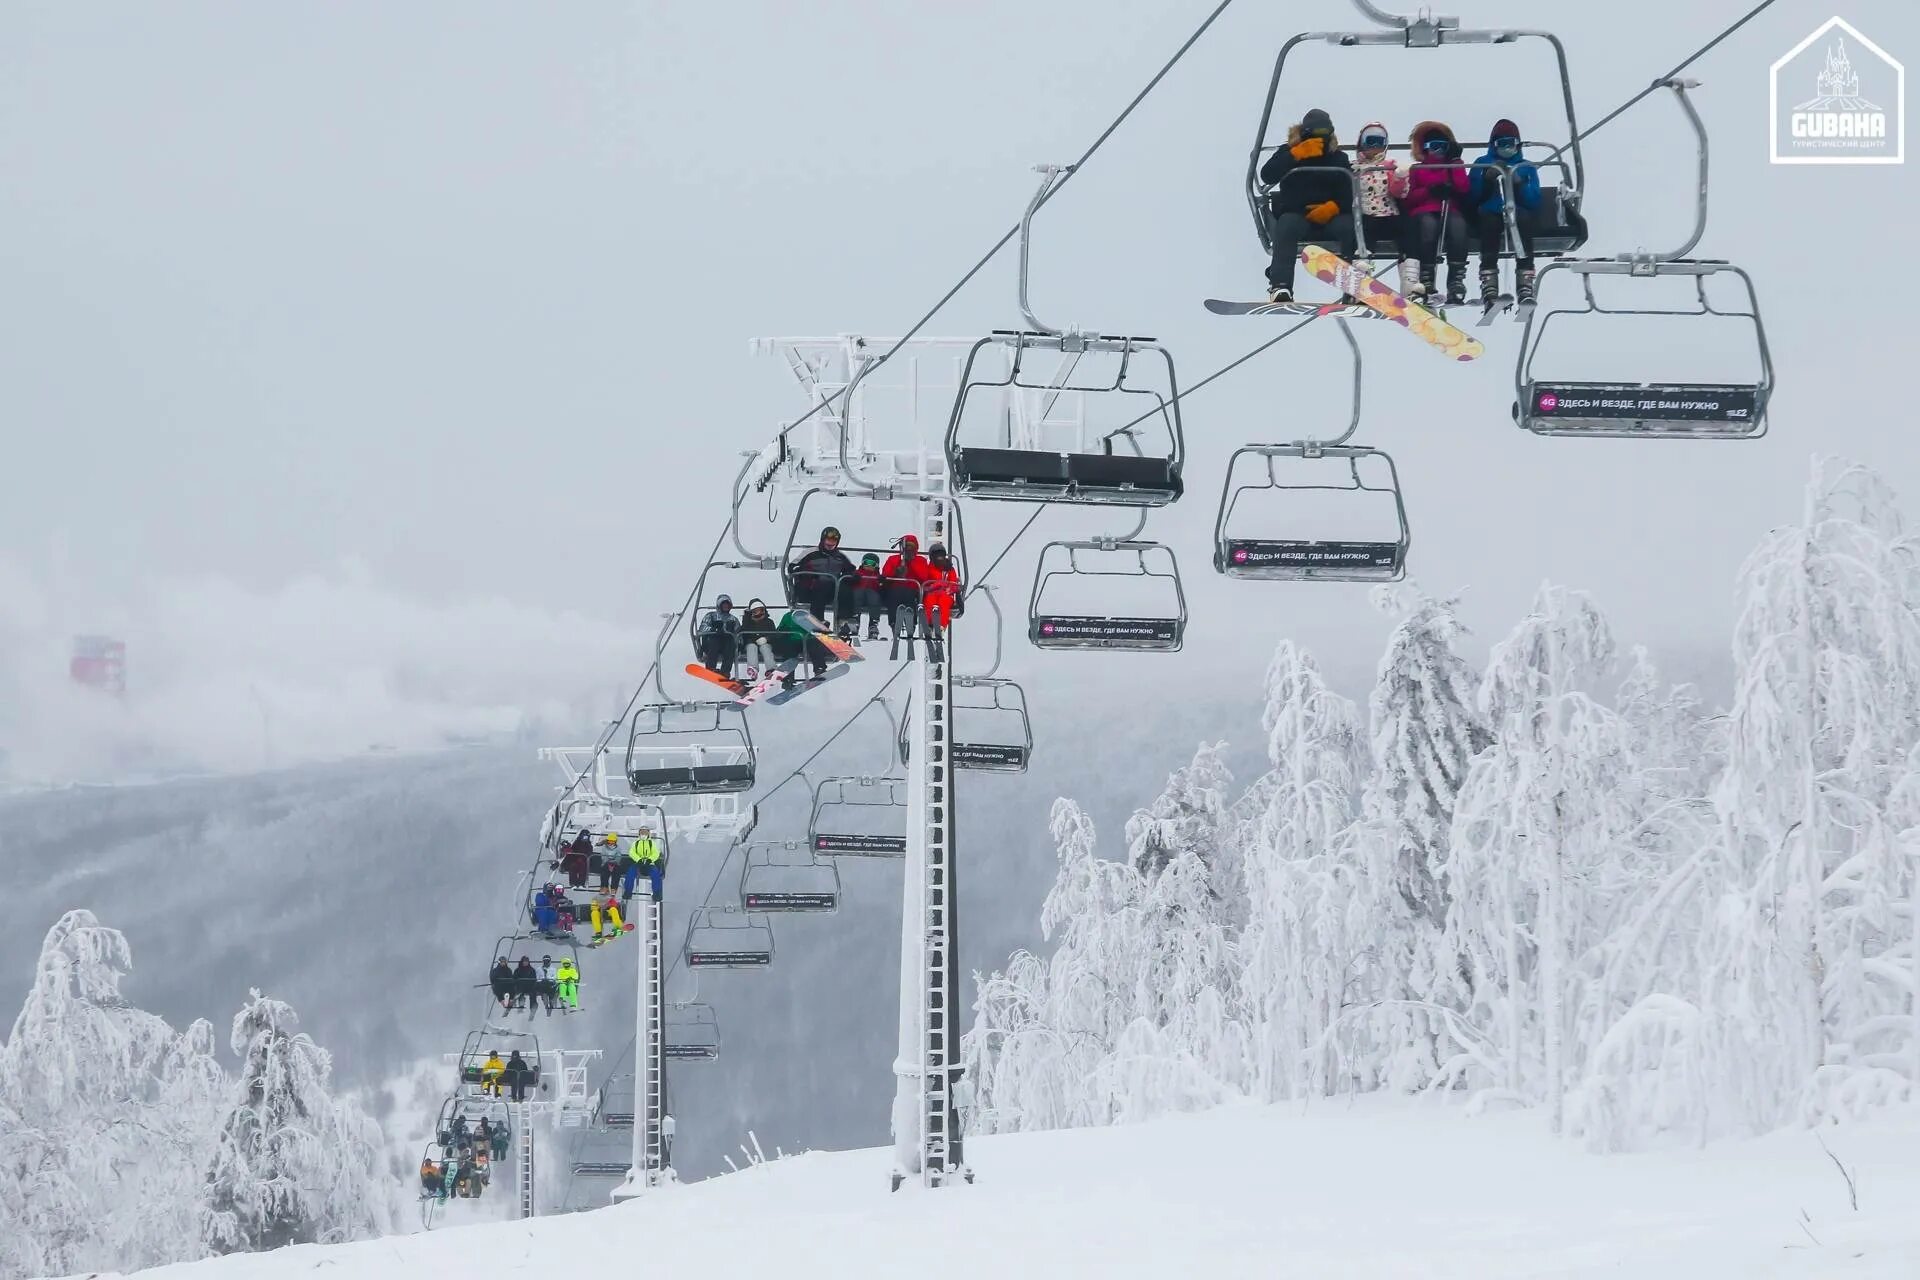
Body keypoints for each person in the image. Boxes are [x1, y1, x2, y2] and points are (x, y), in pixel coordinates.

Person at [1257, 108, 1354, 304]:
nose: (1320, 139)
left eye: (1324, 135)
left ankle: (1351, 287)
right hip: (1297, 214)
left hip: (1330, 216)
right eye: (1314, 134)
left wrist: (1333, 207)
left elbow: (1348, 192)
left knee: (1349, 227)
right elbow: (1267, 175)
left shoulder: (1337, 157)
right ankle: (1280, 285)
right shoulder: (1288, 152)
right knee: (1286, 226)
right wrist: (1296, 154)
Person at [1469, 118, 1549, 306]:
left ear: (1518, 145)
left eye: (1510, 144)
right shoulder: (1482, 163)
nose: (1506, 148)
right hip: (1491, 210)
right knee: (1489, 225)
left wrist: (1519, 184)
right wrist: (1487, 180)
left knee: (1524, 221)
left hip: (1518, 211)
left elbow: (1534, 201)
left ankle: (1525, 283)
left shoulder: (1525, 167)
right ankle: (1489, 284)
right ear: (1493, 145)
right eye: (1501, 144)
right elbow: (1471, 197)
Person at [1402, 121, 1471, 304]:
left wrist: (1456, 162)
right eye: (1434, 147)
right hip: (1424, 210)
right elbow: (1409, 199)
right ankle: (1426, 278)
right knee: (1428, 227)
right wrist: (1429, 191)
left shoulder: (1452, 167)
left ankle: (1455, 280)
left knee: (1458, 227)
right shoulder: (1417, 169)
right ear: (1425, 148)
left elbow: (1463, 188)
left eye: (1442, 147)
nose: (1438, 151)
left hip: (1450, 210)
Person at [1352, 121, 1412, 291]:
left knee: (1407, 232)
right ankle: (1360, 276)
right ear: (1362, 143)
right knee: (1363, 235)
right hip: (1364, 216)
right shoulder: (1354, 168)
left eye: (1380, 143)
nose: (1375, 147)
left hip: (1388, 214)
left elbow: (1398, 192)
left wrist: (1400, 177)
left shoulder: (1390, 166)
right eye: (1371, 141)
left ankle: (1410, 282)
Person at [788, 527, 857, 634]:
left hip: (830, 589)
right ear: (822, 540)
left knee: (844, 588)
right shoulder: (810, 553)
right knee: (822, 585)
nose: (830, 544)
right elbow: (793, 567)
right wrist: (806, 573)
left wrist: (851, 576)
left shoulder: (839, 556)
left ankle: (843, 621)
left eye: (833, 541)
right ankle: (818, 619)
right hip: (810, 588)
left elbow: (851, 570)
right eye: (828, 540)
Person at [882, 534, 934, 653]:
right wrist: (896, 572)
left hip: (912, 590)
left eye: (912, 546)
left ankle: (911, 623)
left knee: (909, 597)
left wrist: (911, 564)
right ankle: (895, 623)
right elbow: (885, 576)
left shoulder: (920, 561)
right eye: (907, 546)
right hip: (894, 590)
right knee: (894, 596)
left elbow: (924, 577)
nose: (909, 549)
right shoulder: (893, 560)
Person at [774, 604, 835, 688]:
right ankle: (787, 678)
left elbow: (819, 628)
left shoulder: (810, 616)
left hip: (807, 640)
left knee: (814, 647)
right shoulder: (788, 616)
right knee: (789, 652)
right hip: (793, 640)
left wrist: (824, 626)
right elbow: (780, 630)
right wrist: (783, 631)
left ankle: (819, 669)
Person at [695, 594, 742, 679]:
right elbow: (702, 628)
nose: (726, 607)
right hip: (711, 643)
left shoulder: (733, 619)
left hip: (726, 644)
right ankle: (711, 668)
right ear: (719, 605)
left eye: (727, 605)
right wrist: (715, 630)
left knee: (730, 644)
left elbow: (739, 633)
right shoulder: (711, 616)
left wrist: (737, 640)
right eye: (723, 605)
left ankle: (725, 671)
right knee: (715, 640)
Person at [738, 599, 779, 679]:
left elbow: (774, 634)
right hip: (751, 642)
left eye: (760, 610)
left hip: (765, 642)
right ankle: (753, 669)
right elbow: (744, 633)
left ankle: (771, 669)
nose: (758, 613)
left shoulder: (769, 622)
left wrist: (766, 639)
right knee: (751, 647)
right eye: (755, 611)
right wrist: (746, 618)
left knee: (765, 648)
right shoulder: (748, 622)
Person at [623, 827, 664, 902]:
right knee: (630, 873)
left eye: (645, 833)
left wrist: (650, 859)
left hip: (649, 864)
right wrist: (638, 859)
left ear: (648, 834)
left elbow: (656, 853)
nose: (643, 834)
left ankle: (657, 894)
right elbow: (632, 852)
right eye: (642, 832)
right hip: (638, 863)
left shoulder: (652, 843)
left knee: (656, 874)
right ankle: (628, 892)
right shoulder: (636, 843)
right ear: (639, 833)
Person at [850, 553, 886, 641]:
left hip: (871, 597)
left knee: (874, 596)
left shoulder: (877, 576)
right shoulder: (857, 573)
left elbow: (881, 589)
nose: (869, 566)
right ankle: (855, 620)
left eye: (872, 564)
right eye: (866, 563)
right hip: (859, 596)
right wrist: (853, 579)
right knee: (857, 593)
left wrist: (881, 583)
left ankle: (873, 624)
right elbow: (850, 584)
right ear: (862, 564)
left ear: (876, 566)